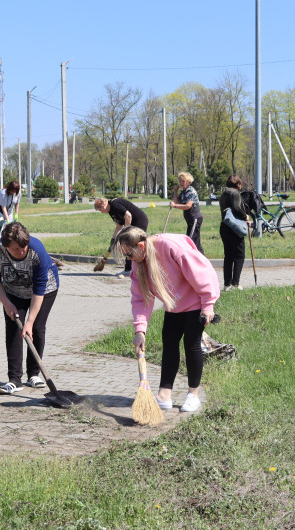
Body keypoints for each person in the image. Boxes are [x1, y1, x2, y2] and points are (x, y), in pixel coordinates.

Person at [117, 226, 219, 413]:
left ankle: (193, 395)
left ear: (140, 245)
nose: (128, 259)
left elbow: (202, 273)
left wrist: (208, 304)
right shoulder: (139, 261)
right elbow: (141, 299)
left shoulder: (171, 247)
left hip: (196, 300)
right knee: (169, 344)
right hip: (173, 305)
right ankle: (164, 395)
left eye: (129, 254)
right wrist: (140, 330)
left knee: (191, 343)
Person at [0, 222, 59, 395]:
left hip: (45, 289)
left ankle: (34, 374)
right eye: (16, 249)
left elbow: (39, 288)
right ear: (6, 247)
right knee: (14, 329)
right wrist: (6, 303)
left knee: (36, 328)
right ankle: (14, 379)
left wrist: (30, 321)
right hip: (13, 291)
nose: (21, 251)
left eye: (23, 246)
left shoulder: (36, 250)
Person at [93, 197, 149, 275]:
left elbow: (128, 215)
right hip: (132, 224)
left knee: (131, 245)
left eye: (100, 210)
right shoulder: (110, 211)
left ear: (103, 205)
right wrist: (113, 239)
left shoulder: (114, 204)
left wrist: (126, 231)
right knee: (127, 245)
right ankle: (128, 269)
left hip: (139, 221)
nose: (101, 212)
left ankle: (134, 269)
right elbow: (119, 226)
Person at [218, 175, 251, 291]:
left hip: (224, 227)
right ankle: (235, 284)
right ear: (238, 184)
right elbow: (237, 208)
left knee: (228, 256)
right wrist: (245, 216)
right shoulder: (235, 193)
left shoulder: (224, 194)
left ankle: (227, 284)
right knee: (239, 256)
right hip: (234, 228)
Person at [169, 172, 204, 254]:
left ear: (188, 182)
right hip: (190, 220)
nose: (181, 183)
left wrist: (174, 206)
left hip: (194, 218)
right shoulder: (183, 192)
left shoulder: (191, 191)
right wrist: (175, 192)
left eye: (183, 181)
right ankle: (201, 262)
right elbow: (177, 202)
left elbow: (188, 206)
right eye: (180, 181)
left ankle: (199, 261)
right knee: (195, 242)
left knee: (190, 241)